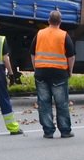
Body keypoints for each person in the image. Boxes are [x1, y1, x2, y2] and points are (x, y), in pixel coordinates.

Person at [32, 10, 75, 138]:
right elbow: (71, 56)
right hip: (59, 73)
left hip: (41, 72)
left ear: (48, 21)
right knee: (61, 103)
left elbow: (32, 54)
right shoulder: (64, 35)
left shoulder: (39, 34)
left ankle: (48, 131)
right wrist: (70, 71)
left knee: (44, 103)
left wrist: (36, 68)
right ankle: (65, 131)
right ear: (60, 22)